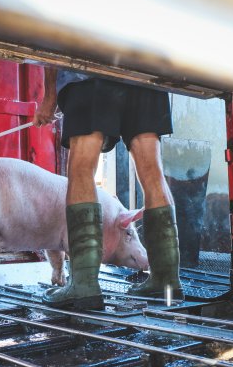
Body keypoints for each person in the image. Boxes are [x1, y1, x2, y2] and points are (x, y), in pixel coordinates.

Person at [33, 69, 183, 309]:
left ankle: (83, 285)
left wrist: (49, 97)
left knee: (81, 169)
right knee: (153, 171)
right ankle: (166, 281)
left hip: (89, 75)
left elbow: (53, 40)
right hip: (146, 73)